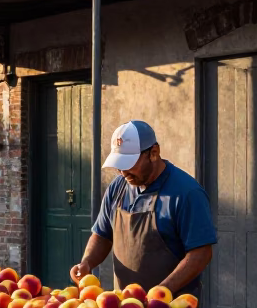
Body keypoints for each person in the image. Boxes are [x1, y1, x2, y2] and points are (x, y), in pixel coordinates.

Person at [71, 120, 216, 297]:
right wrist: (87, 262)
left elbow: (201, 253)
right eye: (119, 165)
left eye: (129, 163)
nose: (123, 173)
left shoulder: (186, 193)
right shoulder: (117, 188)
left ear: (154, 153)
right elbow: (102, 235)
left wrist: (162, 292)